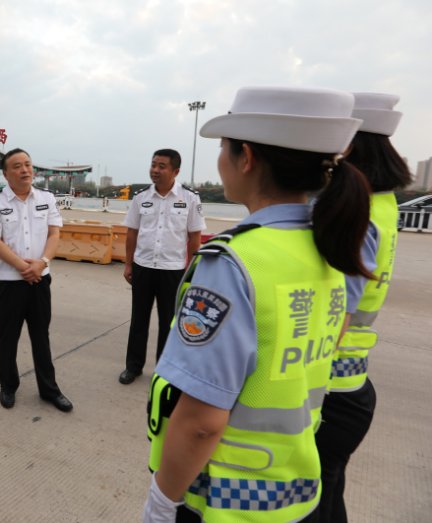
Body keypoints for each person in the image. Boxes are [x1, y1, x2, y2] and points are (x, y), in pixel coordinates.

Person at [143, 86, 373, 523]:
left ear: (245, 157)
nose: (221, 160)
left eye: (223, 148)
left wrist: (162, 501)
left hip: (225, 501)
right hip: (296, 490)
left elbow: (201, 421)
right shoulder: (329, 245)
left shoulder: (233, 262)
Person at [315, 93, 412, 523]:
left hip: (331, 389)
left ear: (352, 146)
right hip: (351, 379)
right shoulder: (383, 202)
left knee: (316, 502)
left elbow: (339, 313)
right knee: (329, 494)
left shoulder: (358, 209)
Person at [0, 148, 73, 412]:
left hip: (40, 280)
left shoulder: (46, 198)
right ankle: (8, 386)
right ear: (5, 173)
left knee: (41, 336)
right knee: (8, 337)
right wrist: (24, 267)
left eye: (28, 164)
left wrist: (42, 263)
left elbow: (54, 234)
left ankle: (49, 390)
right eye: (17, 166)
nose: (24, 170)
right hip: (8, 282)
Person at [119, 149, 205, 385]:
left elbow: (195, 238)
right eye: (153, 165)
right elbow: (132, 233)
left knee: (168, 322)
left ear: (175, 171)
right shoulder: (141, 197)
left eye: (161, 166)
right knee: (138, 320)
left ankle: (164, 370)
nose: (155, 170)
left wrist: (191, 271)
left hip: (173, 270)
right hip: (143, 266)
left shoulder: (189, 198)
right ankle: (133, 367)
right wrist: (128, 264)